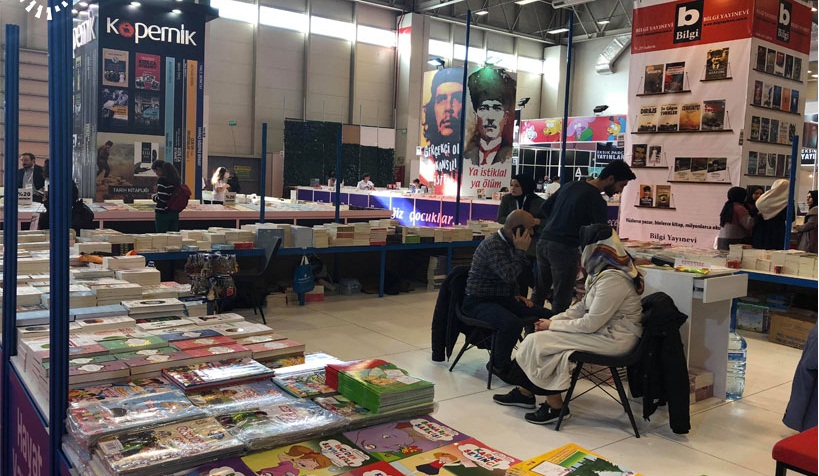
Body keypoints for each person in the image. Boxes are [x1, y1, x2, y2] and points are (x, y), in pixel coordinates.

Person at [492, 224, 643, 425]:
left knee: (541, 343)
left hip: (614, 339)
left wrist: (552, 326)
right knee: (537, 338)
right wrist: (553, 320)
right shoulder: (605, 271)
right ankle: (525, 392)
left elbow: (590, 323)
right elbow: (581, 308)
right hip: (604, 331)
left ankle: (555, 406)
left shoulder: (613, 279)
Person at [532, 160, 636, 314]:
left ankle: (532, 325)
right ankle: (554, 328)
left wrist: (559, 221)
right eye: (621, 185)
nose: (619, 191)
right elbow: (602, 235)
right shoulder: (596, 200)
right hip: (565, 248)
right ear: (611, 179)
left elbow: (545, 208)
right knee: (562, 299)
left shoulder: (569, 185)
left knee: (539, 292)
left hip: (544, 242)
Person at [462, 210, 552, 374]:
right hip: (479, 301)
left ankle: (542, 358)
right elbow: (509, 274)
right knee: (511, 323)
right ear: (516, 230)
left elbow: (514, 278)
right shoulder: (493, 245)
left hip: (503, 298)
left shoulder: (511, 245)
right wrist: (521, 252)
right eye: (529, 229)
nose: (532, 233)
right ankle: (498, 366)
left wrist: (516, 294)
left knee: (549, 315)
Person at [497, 174, 546, 296]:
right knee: (519, 275)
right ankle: (525, 297)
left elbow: (548, 222)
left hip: (532, 243)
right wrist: (519, 221)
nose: (513, 188)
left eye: (517, 186)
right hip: (512, 240)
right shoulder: (507, 199)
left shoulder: (539, 202)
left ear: (526, 186)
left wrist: (535, 222)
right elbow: (500, 218)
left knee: (527, 273)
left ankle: (537, 294)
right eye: (511, 185)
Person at [422, 68, 463, 192]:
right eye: (441, 99)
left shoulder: (474, 161)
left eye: (457, 98)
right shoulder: (425, 160)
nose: (448, 107)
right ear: (432, 108)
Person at [464, 68, 515, 166]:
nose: (490, 117)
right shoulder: (466, 156)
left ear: (506, 117)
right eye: (484, 108)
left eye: (497, 108)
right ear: (475, 116)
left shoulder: (509, 156)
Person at [752, 179, 791, 250]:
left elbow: (755, 213)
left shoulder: (763, 199)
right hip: (778, 232)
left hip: (762, 231)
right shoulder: (788, 201)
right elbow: (791, 217)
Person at [152, 160, 182, 232]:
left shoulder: (162, 180)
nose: (156, 173)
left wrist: (154, 197)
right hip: (174, 212)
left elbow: (162, 198)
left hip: (163, 213)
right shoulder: (176, 180)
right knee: (173, 236)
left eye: (155, 171)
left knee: (162, 236)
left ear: (159, 169)